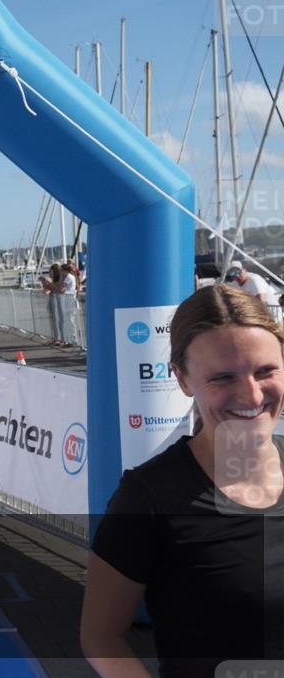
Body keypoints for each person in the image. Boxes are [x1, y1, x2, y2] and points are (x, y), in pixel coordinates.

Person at [82, 284, 284, 677]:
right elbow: (100, 637)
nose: (251, 394)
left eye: (265, 371)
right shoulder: (149, 497)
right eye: (223, 378)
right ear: (183, 379)